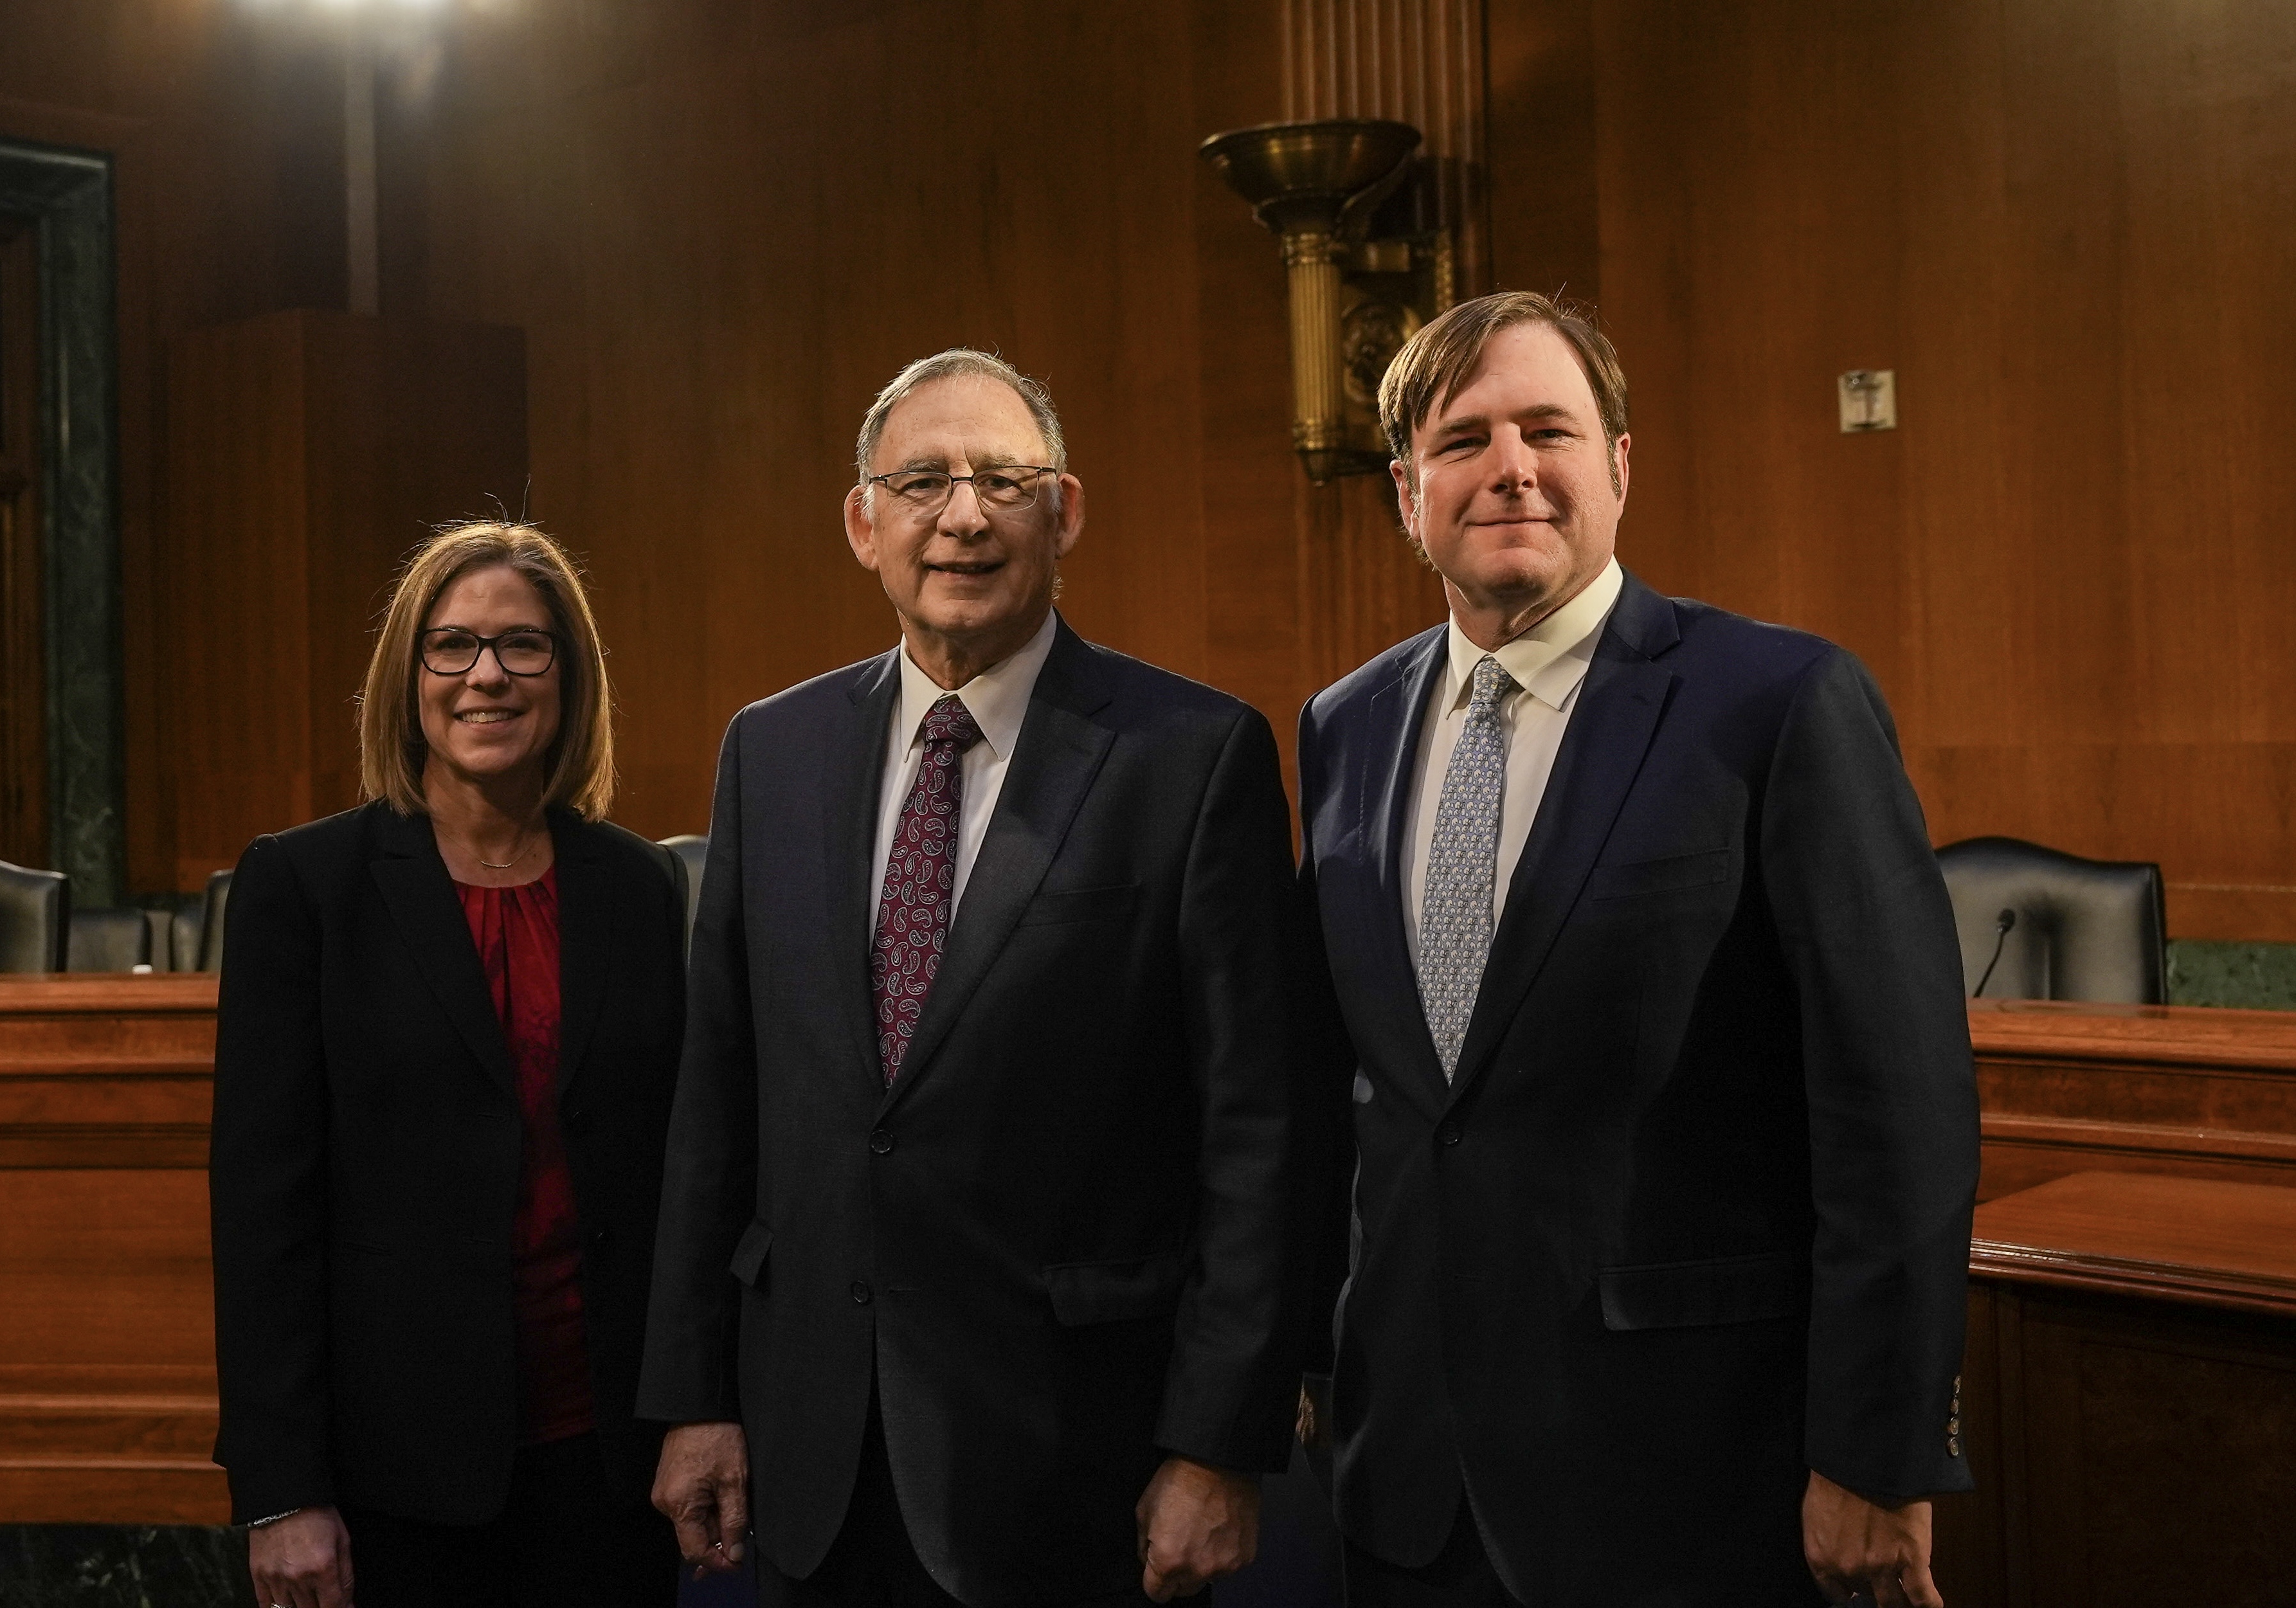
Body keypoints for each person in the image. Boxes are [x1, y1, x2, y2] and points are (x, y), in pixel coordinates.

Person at [1293, 293, 1980, 1607]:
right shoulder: (1344, 727)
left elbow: (1897, 1112)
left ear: (1619, 464)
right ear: (1405, 490)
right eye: (1464, 438)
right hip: (1410, 1478)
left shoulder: (1776, 703)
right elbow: (1368, 1099)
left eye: (1550, 428)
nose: (1510, 468)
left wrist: (1881, 1452)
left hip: (1690, 1474)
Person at [636, 350, 1302, 1606]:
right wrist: (694, 1396)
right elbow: (716, 1102)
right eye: (924, 479)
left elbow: (1258, 1134)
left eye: (1005, 479)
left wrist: (1218, 1443)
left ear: (1067, 513)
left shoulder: (1190, 758)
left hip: (1078, 1466)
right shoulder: (770, 752)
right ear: (862, 522)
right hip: (813, 1451)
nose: (963, 515)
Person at [210, 523, 690, 1608]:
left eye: (524, 646)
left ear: (568, 675)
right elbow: (262, 1214)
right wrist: (282, 1489)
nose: (487, 674)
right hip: (394, 1476)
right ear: (409, 674)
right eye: (453, 645)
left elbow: (678, 1175)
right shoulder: (305, 886)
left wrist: (699, 1411)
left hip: (608, 1460)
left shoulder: (639, 887)